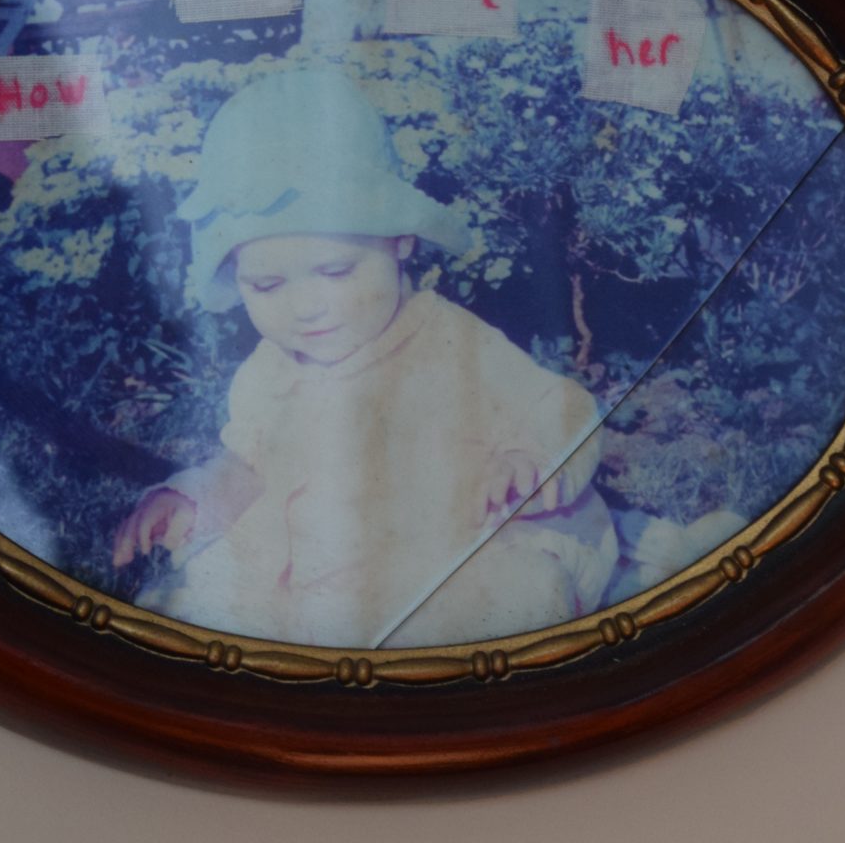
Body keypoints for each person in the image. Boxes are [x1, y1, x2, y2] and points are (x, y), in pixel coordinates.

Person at [113, 67, 620, 648]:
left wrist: (528, 458)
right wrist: (191, 498)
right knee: (204, 600)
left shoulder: (448, 341)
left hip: (454, 551)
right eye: (268, 285)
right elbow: (249, 469)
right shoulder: (269, 371)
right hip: (322, 570)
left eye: (335, 271)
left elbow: (562, 407)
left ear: (400, 240)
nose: (306, 307)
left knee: (509, 594)